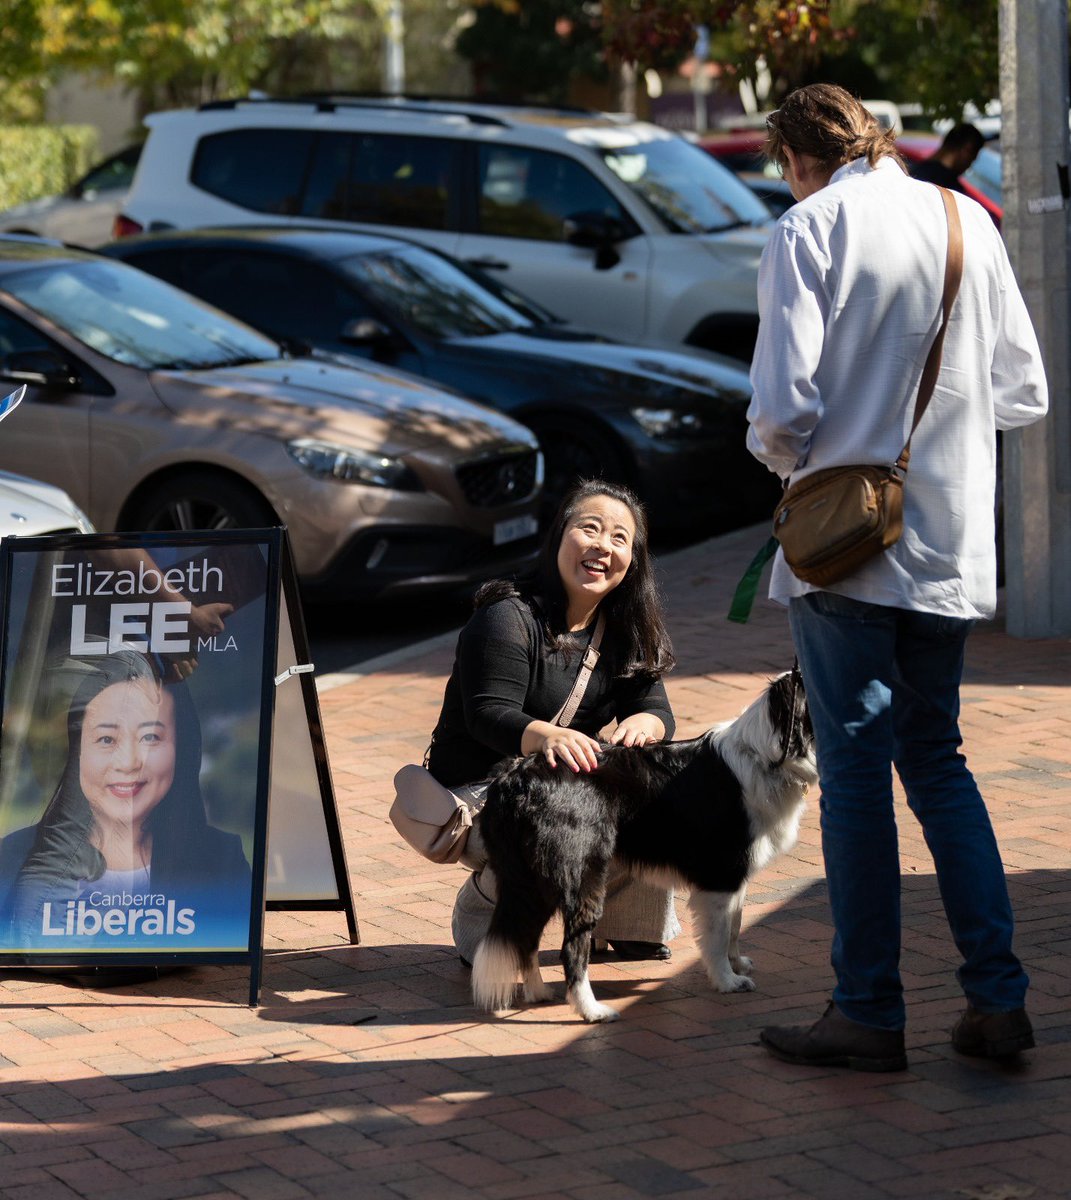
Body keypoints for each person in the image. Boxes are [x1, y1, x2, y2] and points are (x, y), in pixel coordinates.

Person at [746, 85, 1048, 1071]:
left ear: (799, 153)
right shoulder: (967, 219)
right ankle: (997, 999)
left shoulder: (808, 228)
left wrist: (810, 451)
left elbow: (782, 413)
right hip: (949, 544)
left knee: (855, 778)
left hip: (848, 549)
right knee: (940, 763)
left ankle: (868, 1009)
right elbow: (1023, 393)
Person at [427, 479, 679, 967]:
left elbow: (656, 708)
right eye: (590, 528)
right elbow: (487, 713)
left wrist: (644, 726)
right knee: (552, 821)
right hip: (482, 786)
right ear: (560, 536)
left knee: (651, 791)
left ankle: (631, 927)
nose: (603, 546)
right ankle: (482, 918)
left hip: (559, 780)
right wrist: (549, 735)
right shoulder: (507, 616)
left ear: (634, 560)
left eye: (620, 538)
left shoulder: (624, 629)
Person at [0, 649, 251, 947]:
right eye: (106, 739)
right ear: (78, 752)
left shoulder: (221, 860)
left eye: (150, 738)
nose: (129, 761)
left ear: (182, 749)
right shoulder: (13, 859)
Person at [909, 122, 985, 194]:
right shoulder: (953, 191)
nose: (969, 166)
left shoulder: (912, 172)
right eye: (972, 159)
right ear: (966, 150)